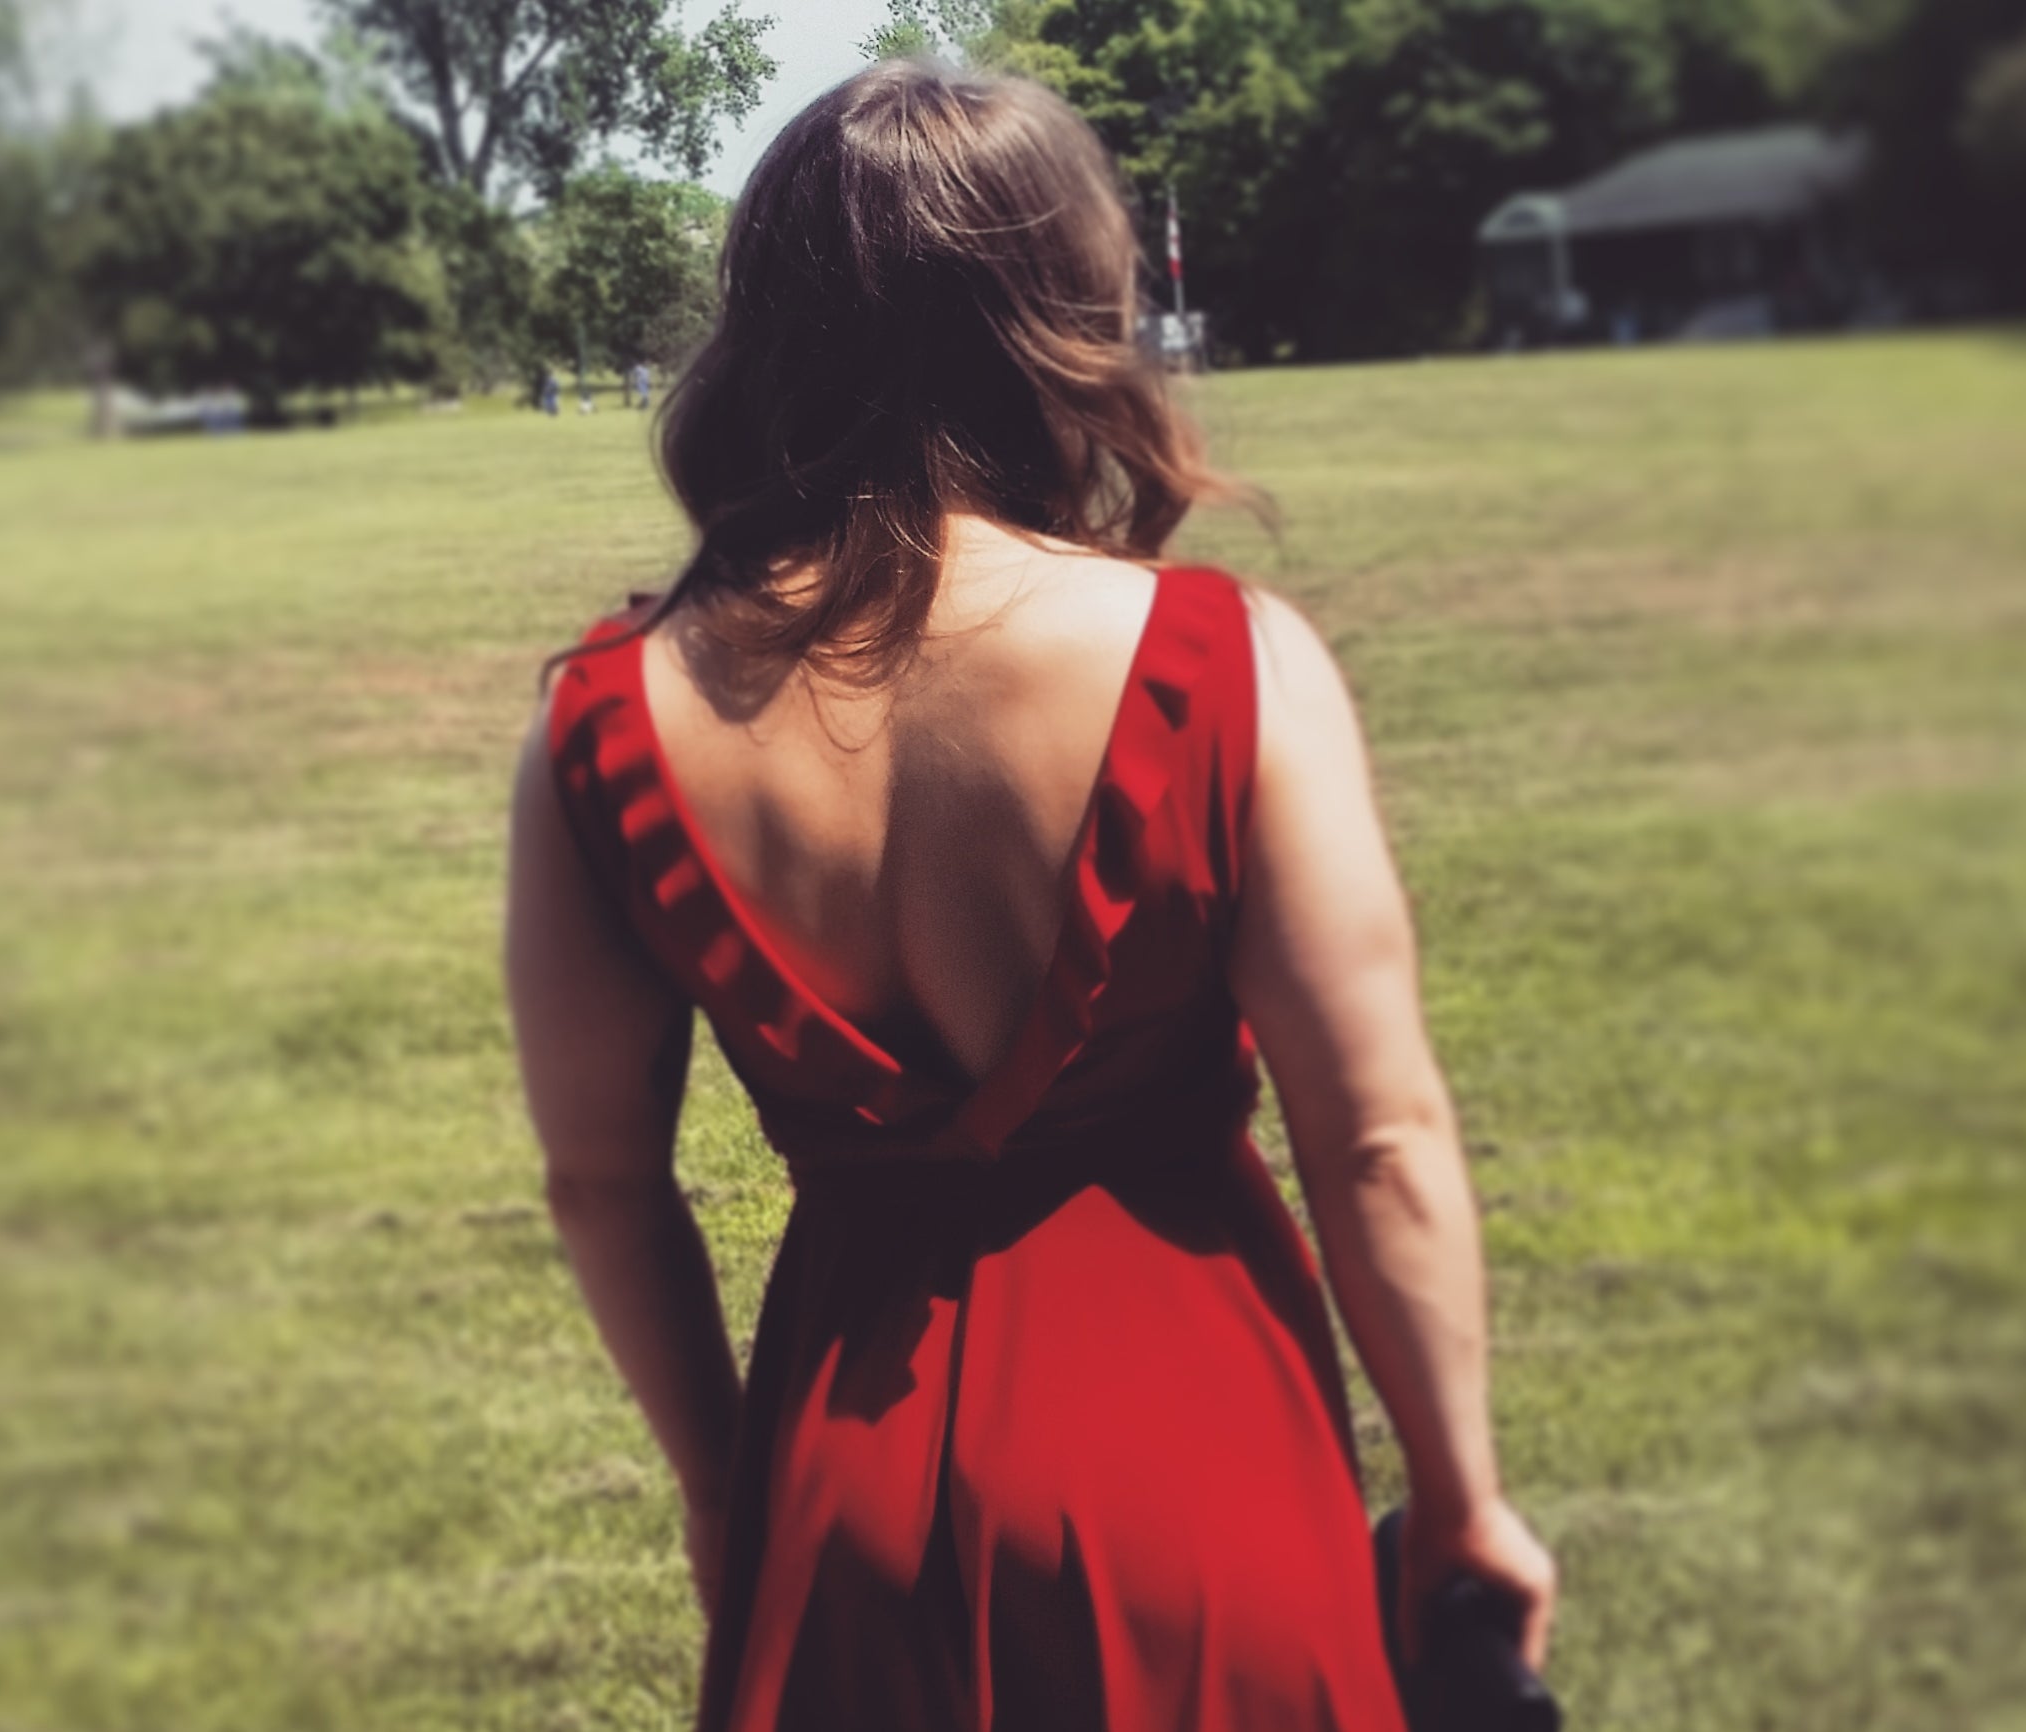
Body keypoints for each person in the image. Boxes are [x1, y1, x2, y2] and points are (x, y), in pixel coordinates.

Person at [504, 59, 1555, 1731]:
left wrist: (727, 1496)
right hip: (1198, 1459)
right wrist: (1461, 1493)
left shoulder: (609, 719)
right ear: (1069, 308)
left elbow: (600, 1187)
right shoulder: (1226, 664)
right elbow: (1377, 1138)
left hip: (838, 1502)